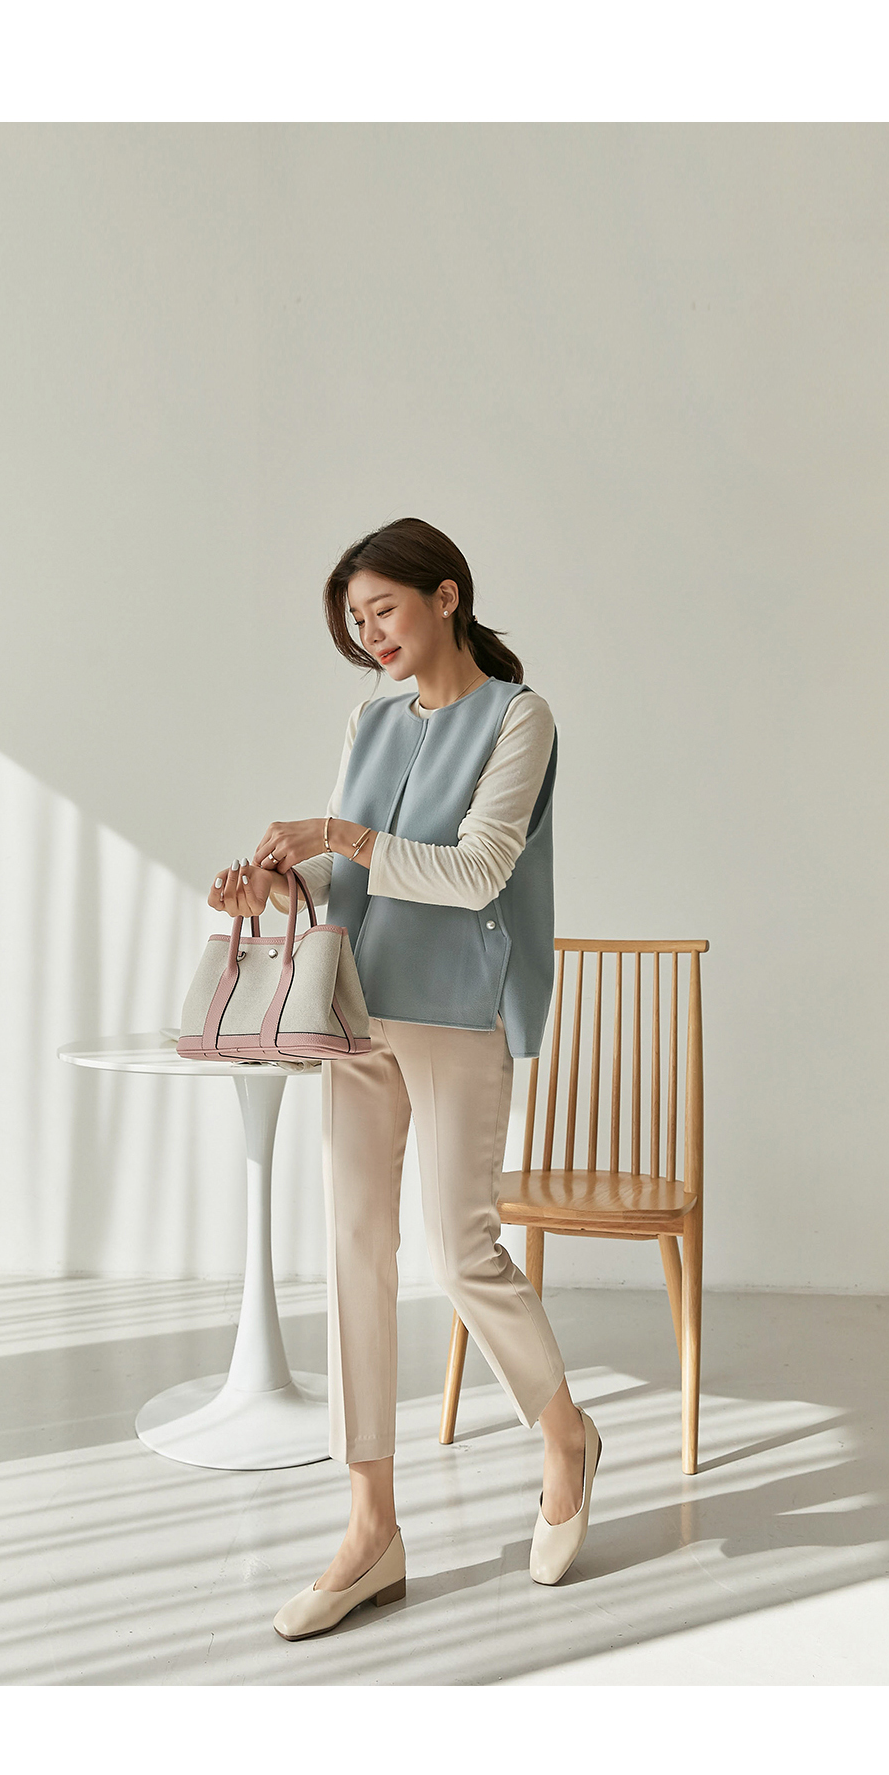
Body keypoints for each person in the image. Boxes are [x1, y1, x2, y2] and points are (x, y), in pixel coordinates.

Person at [208, 516, 601, 1640]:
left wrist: (340, 830)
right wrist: (277, 887)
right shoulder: (370, 722)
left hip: (458, 1010)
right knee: (353, 1253)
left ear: (445, 595)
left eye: (383, 609)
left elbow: (476, 871)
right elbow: (352, 883)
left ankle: (565, 1435)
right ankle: (370, 1526)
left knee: (461, 1251)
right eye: (355, 620)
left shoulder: (519, 717)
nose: (370, 633)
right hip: (355, 1009)